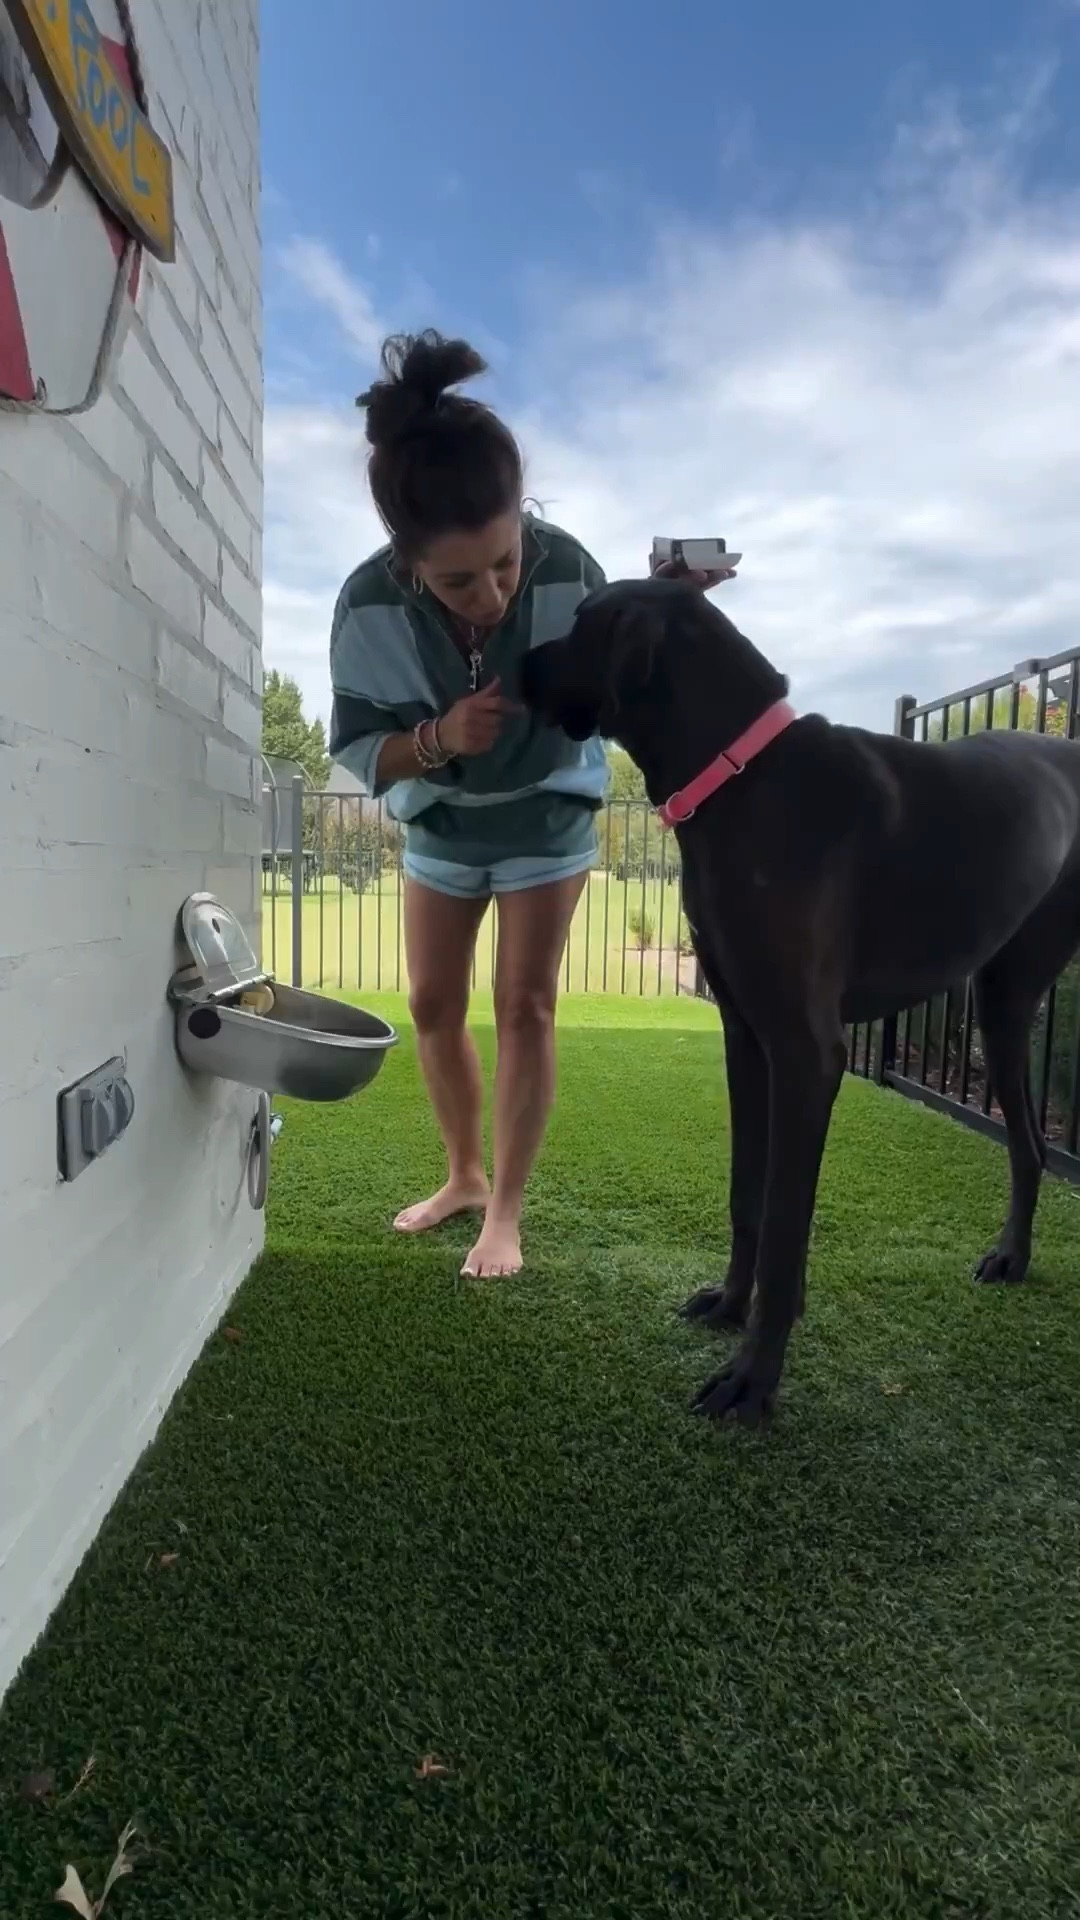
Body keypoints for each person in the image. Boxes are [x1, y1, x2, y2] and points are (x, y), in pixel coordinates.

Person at [329, 330, 732, 1278]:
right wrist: (437, 739)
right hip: (443, 831)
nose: (493, 594)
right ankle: (463, 1174)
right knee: (431, 1004)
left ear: (524, 522)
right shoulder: (364, 609)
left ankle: (504, 1211)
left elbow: (633, 680)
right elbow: (359, 751)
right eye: (458, 580)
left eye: (505, 562)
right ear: (406, 560)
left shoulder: (568, 569)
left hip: (548, 822)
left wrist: (672, 607)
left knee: (526, 1007)